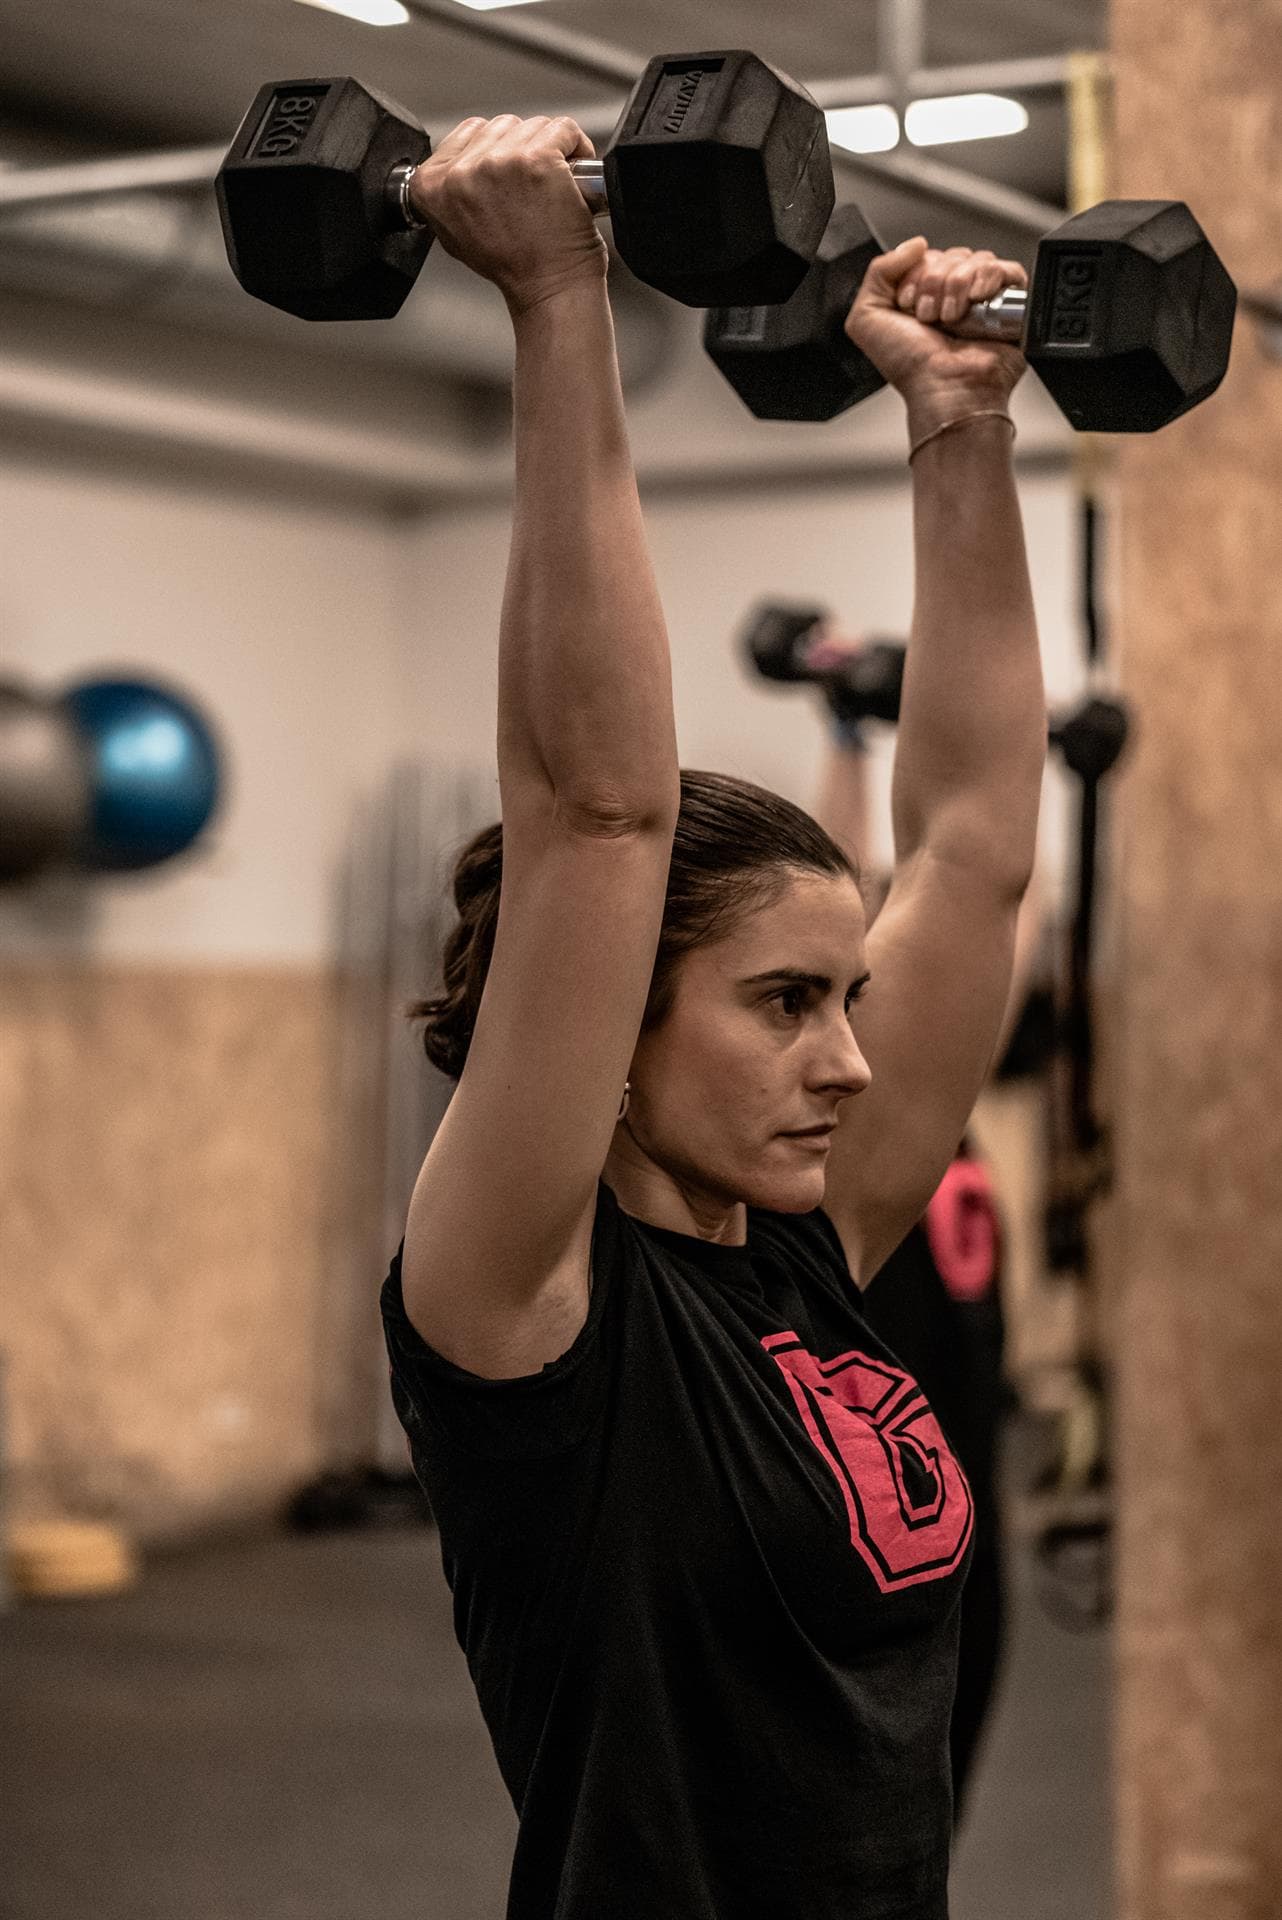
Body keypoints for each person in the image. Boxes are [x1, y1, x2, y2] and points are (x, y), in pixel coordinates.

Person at [379, 109, 1044, 1920]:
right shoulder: (527, 1315)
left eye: (844, 999)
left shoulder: (809, 1250)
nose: (847, 1056)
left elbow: (975, 848)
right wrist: (556, 296)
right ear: (609, 1025)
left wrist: (961, 422)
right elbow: (599, 811)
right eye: (778, 1003)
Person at [804, 639, 1047, 1823]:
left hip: (965, 1519)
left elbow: (995, 908)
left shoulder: (962, 1112)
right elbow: (846, 898)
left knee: (931, 1800)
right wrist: (847, 740)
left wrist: (1033, 758)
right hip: (865, 1533)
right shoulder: (847, 1158)